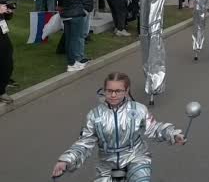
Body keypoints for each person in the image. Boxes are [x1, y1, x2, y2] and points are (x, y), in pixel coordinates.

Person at [51, 72, 185, 181]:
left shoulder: (139, 109)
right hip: (106, 162)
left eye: (118, 91)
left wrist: (172, 134)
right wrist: (65, 160)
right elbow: (84, 142)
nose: (113, 95)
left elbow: (154, 128)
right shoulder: (94, 115)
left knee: (141, 179)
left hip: (136, 156)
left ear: (126, 91)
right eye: (109, 91)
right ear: (104, 91)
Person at [57, 0, 94, 72]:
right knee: (75, 39)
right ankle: (74, 63)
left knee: (69, 39)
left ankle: (71, 62)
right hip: (76, 15)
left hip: (65, 15)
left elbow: (60, 3)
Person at [0, 0, 15, 103]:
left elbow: (6, 18)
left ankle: (1, 89)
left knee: (7, 63)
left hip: (3, 35)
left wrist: (8, 12)